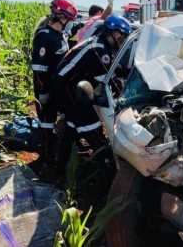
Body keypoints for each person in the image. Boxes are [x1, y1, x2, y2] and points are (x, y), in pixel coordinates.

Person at [52, 14, 132, 169]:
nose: (122, 42)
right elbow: (111, 82)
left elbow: (114, 70)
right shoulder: (100, 50)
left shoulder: (100, 44)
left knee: (72, 125)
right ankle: (107, 165)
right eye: (122, 38)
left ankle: (61, 165)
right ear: (116, 34)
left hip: (66, 85)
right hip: (69, 88)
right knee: (91, 126)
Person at [31, 0, 78, 164]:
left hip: (58, 87)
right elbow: (38, 68)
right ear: (62, 18)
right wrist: (43, 91)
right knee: (46, 122)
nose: (71, 23)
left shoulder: (61, 35)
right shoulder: (44, 37)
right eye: (70, 20)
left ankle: (57, 149)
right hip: (47, 88)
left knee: (61, 119)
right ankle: (46, 154)